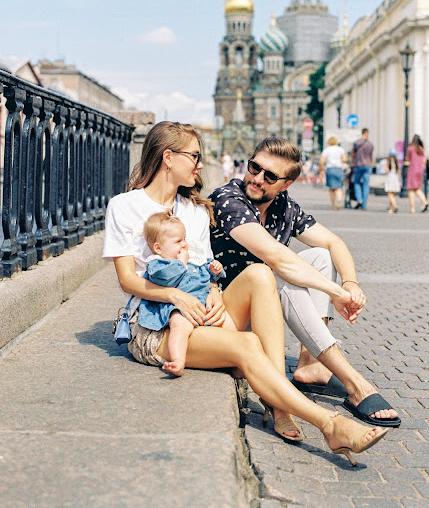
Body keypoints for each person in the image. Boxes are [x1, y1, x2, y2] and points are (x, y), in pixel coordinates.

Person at [103, 122, 389, 465]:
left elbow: (206, 266)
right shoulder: (124, 206)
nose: (200, 165)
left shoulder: (196, 210)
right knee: (249, 344)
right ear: (168, 158)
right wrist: (174, 296)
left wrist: (214, 291)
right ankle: (329, 424)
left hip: (203, 313)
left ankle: (281, 398)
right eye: (194, 156)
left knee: (260, 273)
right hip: (156, 326)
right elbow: (127, 280)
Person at [210, 137, 400, 428]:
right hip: (226, 316)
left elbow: (334, 242)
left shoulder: (283, 206)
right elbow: (276, 257)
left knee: (321, 255)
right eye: (254, 167)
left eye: (270, 176)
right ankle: (355, 382)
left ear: (286, 184)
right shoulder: (228, 199)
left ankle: (312, 364)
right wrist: (336, 292)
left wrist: (351, 284)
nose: (257, 178)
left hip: (262, 312)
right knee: (278, 275)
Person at [139, 212, 228, 375]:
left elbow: (205, 273)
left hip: (203, 303)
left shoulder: (192, 257)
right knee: (179, 326)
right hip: (178, 308)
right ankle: (178, 360)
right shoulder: (158, 264)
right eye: (178, 241)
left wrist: (214, 270)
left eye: (184, 238)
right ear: (158, 248)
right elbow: (167, 280)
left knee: (224, 320)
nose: (184, 244)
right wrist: (181, 262)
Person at [319, 136, 348, 210]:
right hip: (338, 169)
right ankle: (339, 200)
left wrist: (322, 169)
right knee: (338, 187)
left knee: (331, 189)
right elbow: (345, 159)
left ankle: (333, 205)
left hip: (330, 169)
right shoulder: (340, 149)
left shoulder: (326, 150)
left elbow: (321, 161)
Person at [405, 135, 428, 213]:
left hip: (412, 170)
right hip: (420, 171)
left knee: (411, 189)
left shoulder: (410, 148)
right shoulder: (421, 149)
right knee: (417, 188)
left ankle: (412, 208)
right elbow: (424, 160)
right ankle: (425, 201)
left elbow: (407, 159)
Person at [352, 128, 373, 210]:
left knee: (356, 182)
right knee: (366, 184)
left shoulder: (356, 142)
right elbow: (371, 155)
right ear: (367, 133)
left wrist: (353, 162)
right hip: (367, 165)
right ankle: (364, 204)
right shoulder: (370, 144)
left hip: (358, 164)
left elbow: (353, 153)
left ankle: (359, 199)